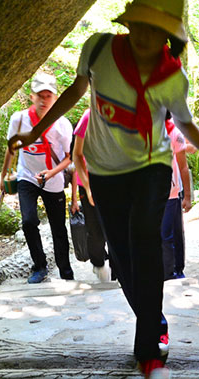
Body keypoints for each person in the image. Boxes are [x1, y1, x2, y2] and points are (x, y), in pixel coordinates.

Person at [9, 0, 199, 379]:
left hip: (150, 167)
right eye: (139, 24)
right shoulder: (99, 50)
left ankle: (149, 354)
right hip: (105, 172)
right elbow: (75, 91)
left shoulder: (172, 77)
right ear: (128, 22)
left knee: (144, 238)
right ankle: (155, 323)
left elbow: (185, 125)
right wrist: (35, 132)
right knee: (122, 260)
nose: (144, 35)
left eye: (155, 29)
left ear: (168, 35)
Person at [1, 72, 74, 284]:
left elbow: (69, 158)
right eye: (40, 95)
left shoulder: (62, 124)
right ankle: (39, 266)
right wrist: (3, 176)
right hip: (27, 177)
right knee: (28, 221)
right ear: (31, 96)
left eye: (48, 96)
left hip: (53, 180)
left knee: (58, 228)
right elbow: (11, 148)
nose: (44, 100)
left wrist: (51, 173)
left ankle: (65, 271)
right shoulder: (19, 119)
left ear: (55, 98)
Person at [71, 108, 113, 281]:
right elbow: (76, 155)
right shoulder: (89, 116)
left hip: (116, 182)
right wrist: (88, 189)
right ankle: (99, 263)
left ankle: (119, 274)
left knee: (117, 231)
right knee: (96, 232)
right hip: (90, 182)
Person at [161, 117, 196, 280]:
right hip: (154, 191)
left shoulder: (175, 127)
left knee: (171, 233)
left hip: (173, 190)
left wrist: (187, 197)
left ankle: (174, 271)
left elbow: (192, 149)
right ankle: (168, 271)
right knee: (164, 233)